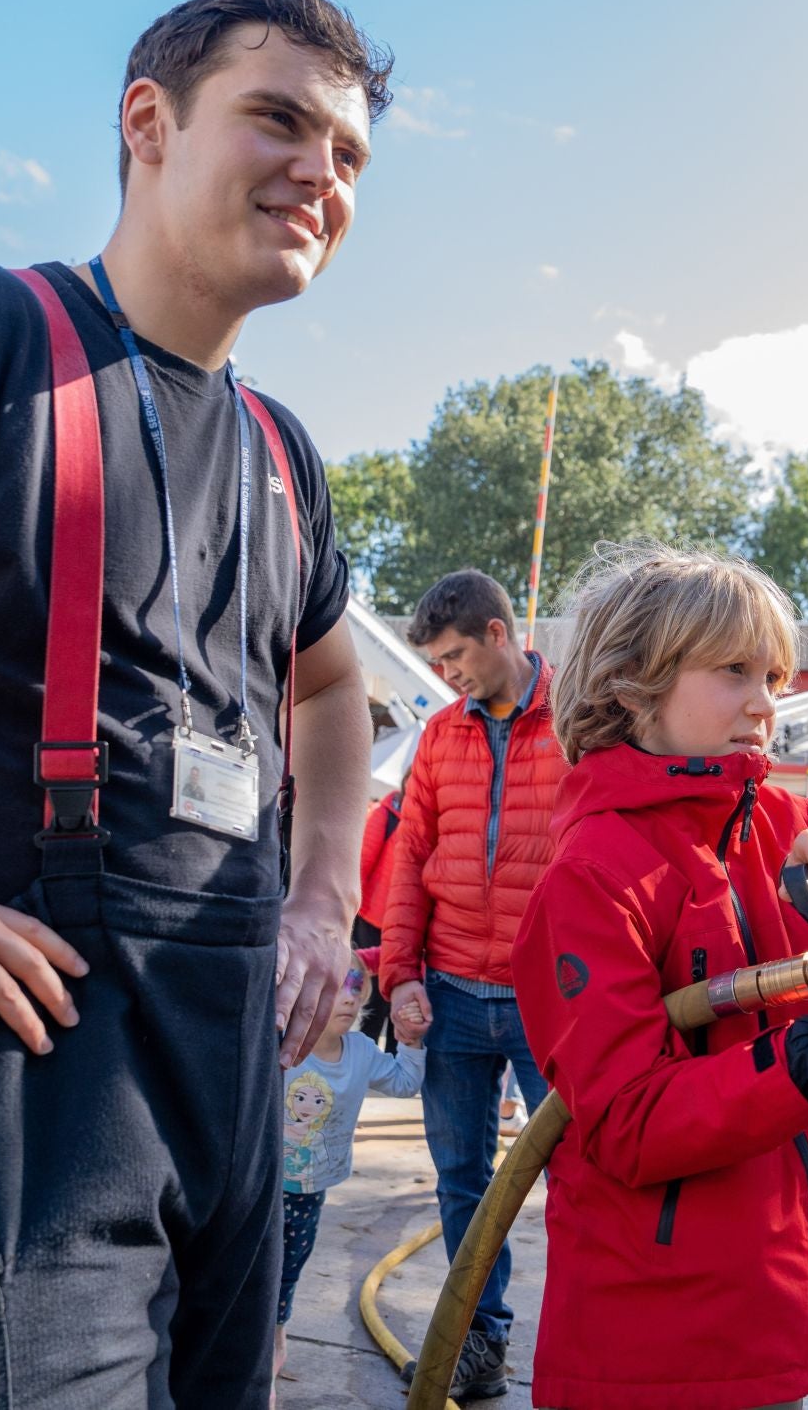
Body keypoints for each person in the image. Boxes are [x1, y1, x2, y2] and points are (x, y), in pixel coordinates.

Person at [0, 0, 387, 1407]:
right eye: (280, 120)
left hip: (220, 1067)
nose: (321, 173)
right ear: (149, 124)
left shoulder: (279, 456)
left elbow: (335, 683)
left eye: (352, 155)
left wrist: (323, 893)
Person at [510, 544, 808, 1410]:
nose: (767, 702)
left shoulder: (792, 823)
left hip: (777, 1318)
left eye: (773, 674)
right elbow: (630, 1125)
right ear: (630, 684)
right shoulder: (592, 875)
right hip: (656, 1349)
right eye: (733, 671)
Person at [379, 569, 568, 1401]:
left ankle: (583, 1344)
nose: (447, 673)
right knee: (462, 1179)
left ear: (500, 635)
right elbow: (409, 861)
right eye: (438, 660)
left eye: (456, 655)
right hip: (452, 994)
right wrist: (400, 977)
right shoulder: (440, 736)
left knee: (582, 1179)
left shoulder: (583, 721)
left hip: (550, 997)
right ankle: (480, 1342)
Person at [273, 947, 424, 1386]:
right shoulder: (281, 1044)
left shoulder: (359, 1051)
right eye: (339, 986)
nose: (349, 998)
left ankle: (276, 1334)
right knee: (253, 1262)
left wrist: (410, 1042)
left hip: (309, 1189)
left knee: (290, 1265)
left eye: (356, 988)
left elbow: (403, 1082)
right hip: (262, 1182)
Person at [353, 773, 408, 1049]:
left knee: (397, 989)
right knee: (375, 992)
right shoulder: (386, 814)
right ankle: (365, 1053)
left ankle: (391, 1058)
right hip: (373, 918)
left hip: (405, 923)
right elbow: (362, 865)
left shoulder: (424, 819)